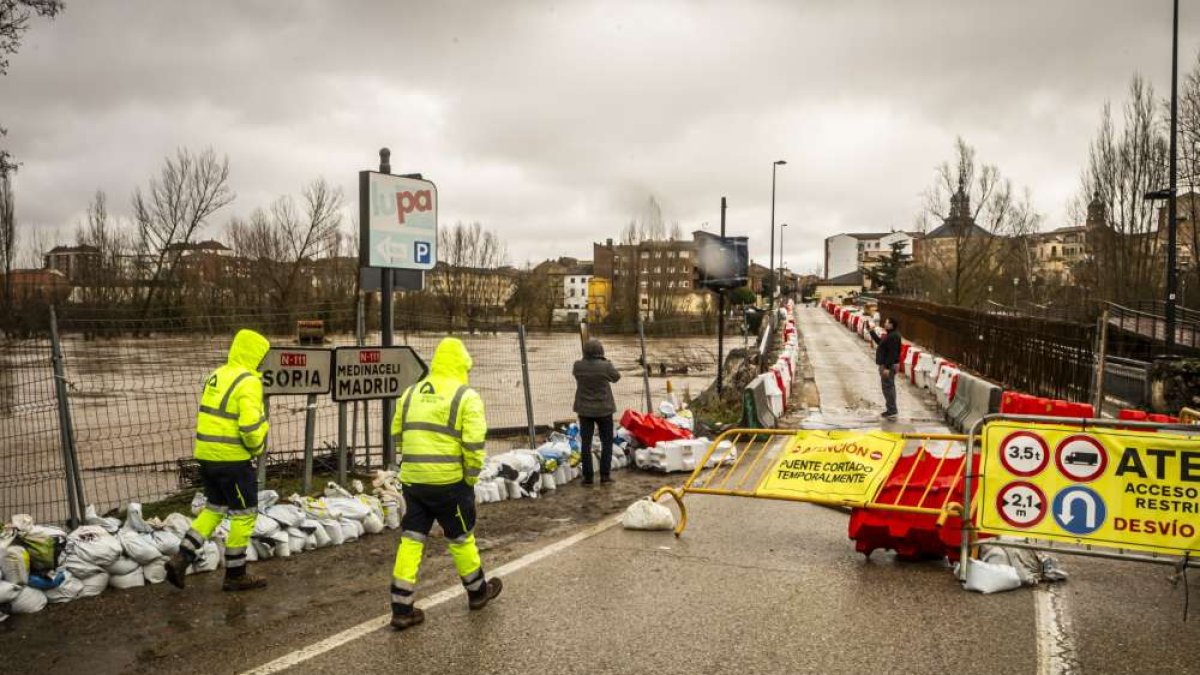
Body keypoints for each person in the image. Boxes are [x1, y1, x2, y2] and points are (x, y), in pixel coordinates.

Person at [388, 337, 502, 631]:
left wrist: (414, 462)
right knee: (461, 538)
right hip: (449, 482)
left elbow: (397, 433)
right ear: (462, 364)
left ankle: (401, 608)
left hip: (413, 480)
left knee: (411, 540)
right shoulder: (466, 396)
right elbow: (474, 446)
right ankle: (477, 593)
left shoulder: (411, 393)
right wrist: (470, 477)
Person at [165, 328, 271, 592]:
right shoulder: (249, 381)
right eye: (262, 356)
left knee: (214, 508)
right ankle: (236, 573)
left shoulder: (217, 374)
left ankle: (182, 558)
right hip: (233, 459)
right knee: (245, 514)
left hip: (208, 456)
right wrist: (259, 442)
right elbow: (249, 427)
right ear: (255, 354)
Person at [572, 339, 621, 485]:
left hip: (584, 410)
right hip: (604, 409)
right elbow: (616, 377)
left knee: (585, 444)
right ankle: (605, 476)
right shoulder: (606, 366)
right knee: (607, 442)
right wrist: (606, 361)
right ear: (600, 352)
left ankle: (588, 478)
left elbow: (578, 374)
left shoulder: (577, 366)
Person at [870, 317, 902, 421]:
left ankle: (892, 411)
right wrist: (872, 332)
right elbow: (880, 343)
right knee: (887, 387)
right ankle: (891, 409)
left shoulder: (893, 336)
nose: (884, 323)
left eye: (886, 322)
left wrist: (887, 368)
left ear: (891, 325)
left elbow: (892, 354)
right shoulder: (889, 335)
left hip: (888, 366)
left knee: (888, 388)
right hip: (885, 365)